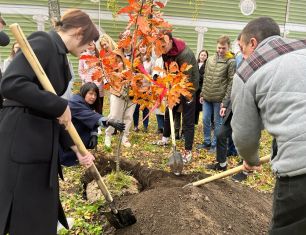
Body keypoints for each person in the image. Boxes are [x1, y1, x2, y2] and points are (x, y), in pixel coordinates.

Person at [0, 9, 99, 234]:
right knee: (21, 215)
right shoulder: (43, 43)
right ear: (79, 32)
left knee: (36, 216)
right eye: (89, 42)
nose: (88, 48)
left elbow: (49, 111)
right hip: (21, 143)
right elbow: (12, 83)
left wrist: (74, 147)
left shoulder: (60, 55)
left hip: (37, 142)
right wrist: (58, 105)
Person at [231, 17, 306, 234]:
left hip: (300, 174)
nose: (241, 56)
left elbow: (244, 134)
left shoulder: (247, 71)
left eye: (242, 48)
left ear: (253, 43)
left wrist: (250, 159)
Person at [155, 31, 199, 163]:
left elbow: (186, 78)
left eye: (164, 46)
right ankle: (165, 138)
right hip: (174, 85)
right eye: (160, 46)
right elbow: (167, 68)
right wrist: (168, 85)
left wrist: (175, 92)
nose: (162, 49)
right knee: (169, 112)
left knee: (188, 119)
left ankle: (188, 151)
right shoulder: (165, 52)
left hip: (189, 87)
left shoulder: (184, 54)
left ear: (170, 41)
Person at [60, 82, 125, 166]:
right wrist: (108, 121)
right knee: (65, 156)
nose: (93, 97)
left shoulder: (87, 104)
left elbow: (90, 119)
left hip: (75, 137)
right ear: (84, 92)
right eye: (90, 94)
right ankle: (67, 160)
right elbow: (88, 115)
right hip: (67, 139)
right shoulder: (74, 102)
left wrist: (94, 134)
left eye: (95, 95)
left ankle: (75, 158)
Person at [197, 35, 236, 153]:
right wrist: (202, 93)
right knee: (205, 119)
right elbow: (206, 78)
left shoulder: (231, 62)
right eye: (219, 47)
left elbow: (231, 83)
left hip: (219, 99)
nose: (220, 50)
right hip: (207, 97)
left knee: (217, 123)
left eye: (223, 48)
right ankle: (207, 141)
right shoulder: (210, 59)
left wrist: (225, 102)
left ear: (228, 47)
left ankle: (215, 145)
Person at [104, 48, 136, 148]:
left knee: (128, 116)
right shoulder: (116, 54)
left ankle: (124, 137)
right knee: (114, 115)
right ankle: (108, 135)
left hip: (133, 92)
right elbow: (109, 72)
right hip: (117, 91)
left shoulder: (137, 54)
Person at [78, 43, 104, 114]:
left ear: (95, 45)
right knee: (86, 105)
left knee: (98, 105)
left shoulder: (99, 56)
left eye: (91, 45)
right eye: (88, 44)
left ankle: (99, 121)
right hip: (87, 84)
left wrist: (98, 82)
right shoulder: (83, 56)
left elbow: (103, 70)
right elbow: (80, 70)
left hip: (98, 84)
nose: (89, 46)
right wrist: (85, 79)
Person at [133, 43, 152, 132]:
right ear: (138, 48)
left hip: (147, 87)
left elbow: (152, 75)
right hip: (138, 88)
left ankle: (145, 125)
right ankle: (136, 125)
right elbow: (133, 73)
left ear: (146, 47)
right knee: (136, 108)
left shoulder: (150, 60)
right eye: (140, 47)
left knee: (145, 108)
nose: (142, 48)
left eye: (144, 46)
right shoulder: (136, 60)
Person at [195, 49, 208, 125]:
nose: (203, 57)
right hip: (193, 88)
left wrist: (197, 76)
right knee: (192, 107)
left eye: (204, 55)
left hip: (200, 88)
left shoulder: (207, 66)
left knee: (197, 106)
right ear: (199, 55)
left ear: (206, 57)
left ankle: (195, 122)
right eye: (201, 55)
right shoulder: (195, 63)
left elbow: (205, 77)